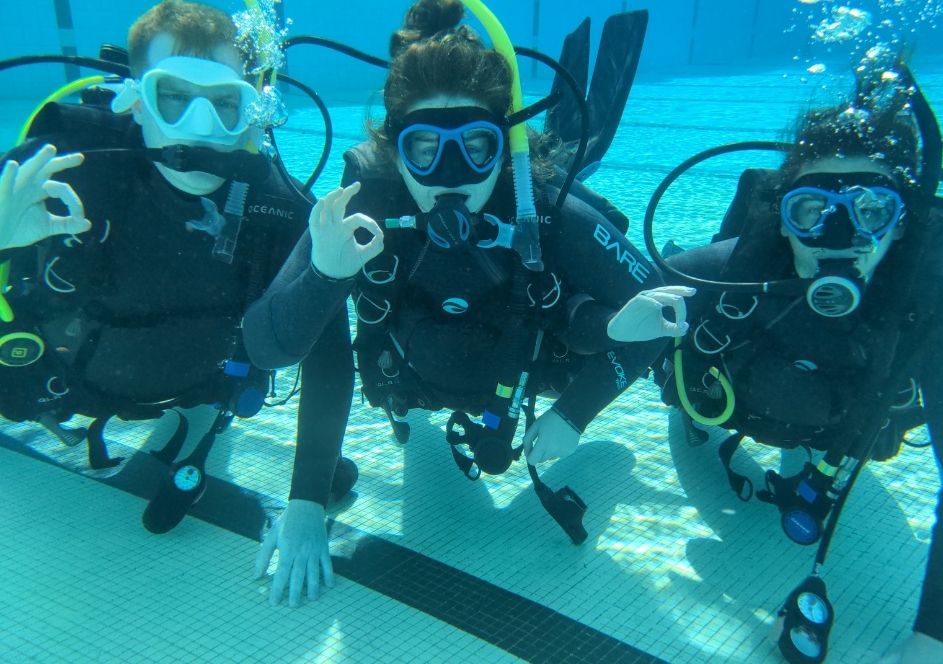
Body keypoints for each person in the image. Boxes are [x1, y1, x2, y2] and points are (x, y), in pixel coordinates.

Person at [242, 0, 690, 543]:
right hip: (409, 384)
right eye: (424, 148)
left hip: (524, 379)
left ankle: (568, 140)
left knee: (574, 162)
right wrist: (322, 275)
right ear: (393, 150)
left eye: (476, 147)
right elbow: (268, 348)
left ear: (503, 149)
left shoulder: (540, 210)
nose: (450, 177)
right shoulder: (365, 210)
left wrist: (574, 414)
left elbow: (663, 318)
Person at [617, 61, 943, 663]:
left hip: (848, 425)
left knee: (862, 435)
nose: (838, 236)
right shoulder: (740, 264)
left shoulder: (935, 306)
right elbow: (653, 286)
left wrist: (939, 637)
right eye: (811, 212)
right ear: (783, 217)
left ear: (901, 225)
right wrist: (625, 330)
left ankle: (817, 459)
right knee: (688, 381)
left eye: (871, 210)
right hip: (741, 397)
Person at [0, 0, 359, 608]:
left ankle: (198, 414)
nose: (199, 125)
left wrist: (305, 501)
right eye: (173, 97)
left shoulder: (275, 209)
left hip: (196, 382)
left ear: (252, 110)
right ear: (135, 99)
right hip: (55, 385)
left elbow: (328, 350)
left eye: (224, 103)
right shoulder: (62, 172)